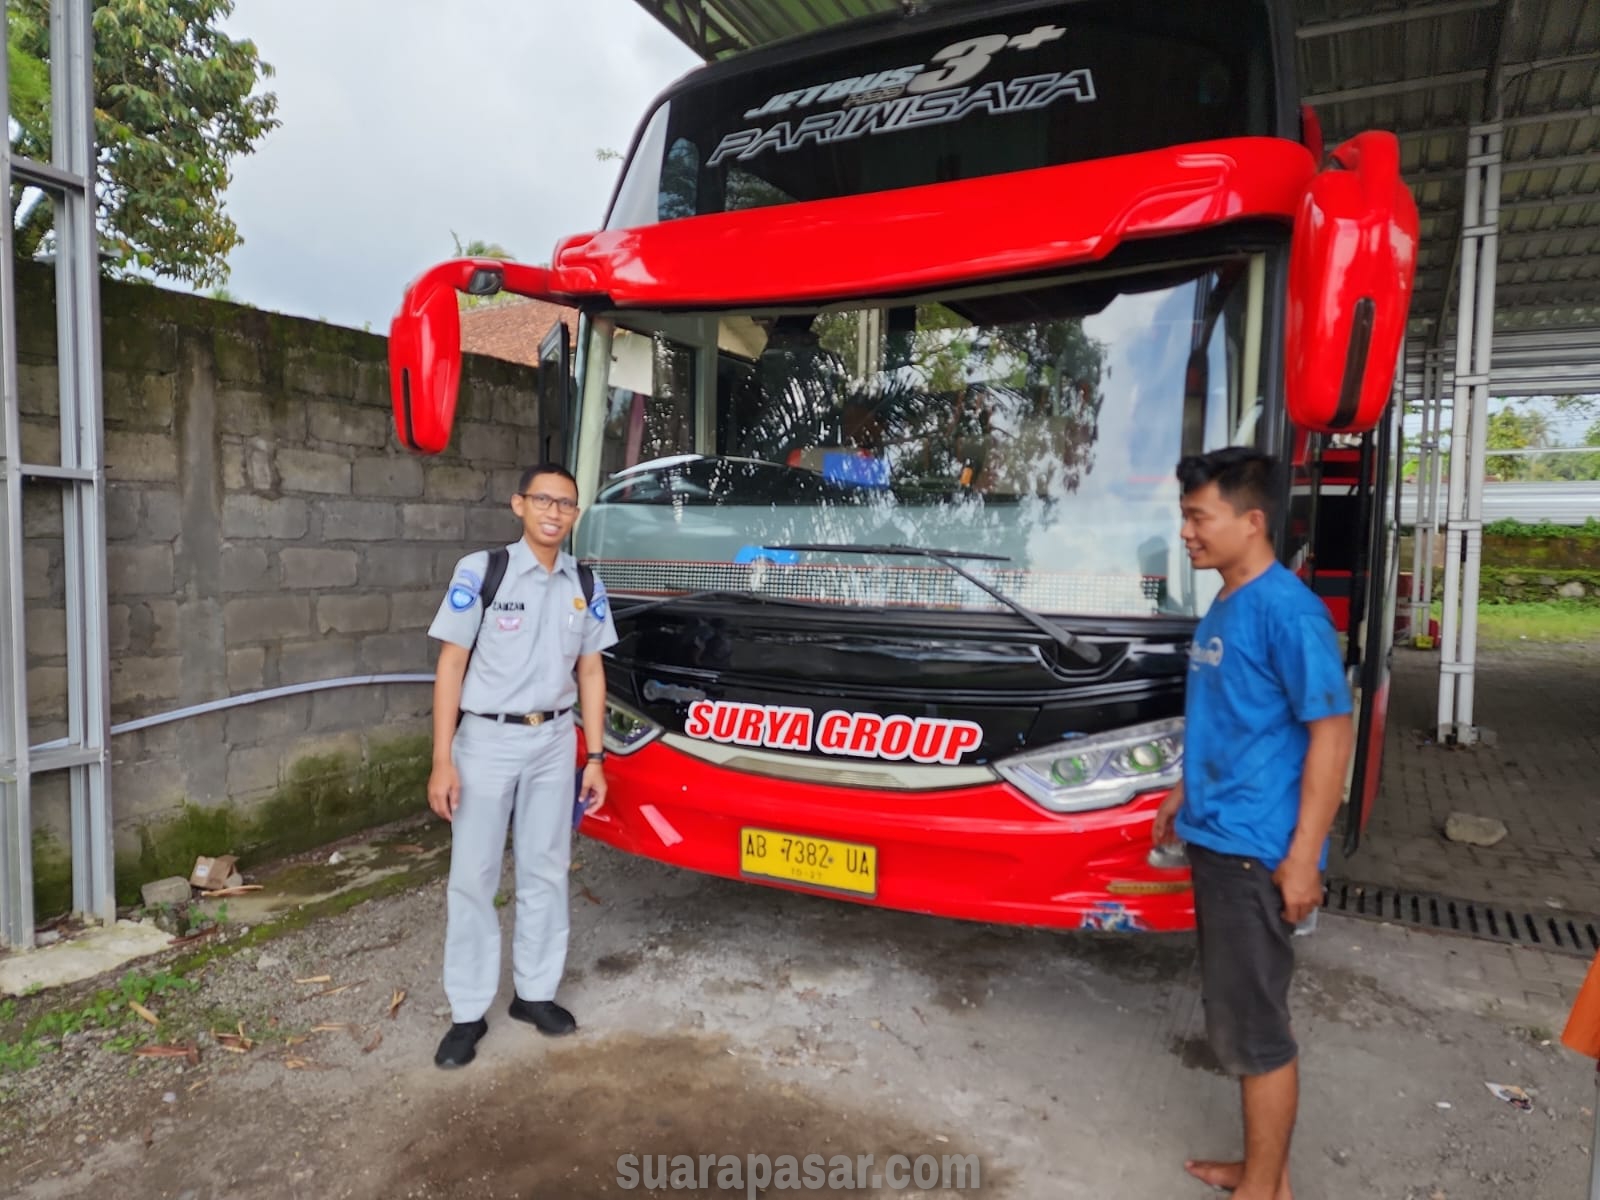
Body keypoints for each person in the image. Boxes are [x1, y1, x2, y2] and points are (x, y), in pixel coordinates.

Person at [1151, 447, 1354, 1200]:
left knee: (1255, 1032)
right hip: (1218, 832)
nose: (1188, 534)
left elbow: (1333, 733)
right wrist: (1182, 786)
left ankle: (1265, 1190)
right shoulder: (1229, 601)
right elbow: (1239, 719)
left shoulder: (1288, 611)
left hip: (1254, 853)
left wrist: (1303, 858)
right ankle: (1262, 1170)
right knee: (1237, 1018)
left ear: (1253, 521)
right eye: (1185, 518)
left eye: (1200, 518)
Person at [425, 463, 618, 1069]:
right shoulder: (483, 571)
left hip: (555, 743)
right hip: (485, 743)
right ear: (519, 505)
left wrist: (595, 755)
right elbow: (450, 667)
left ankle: (534, 994)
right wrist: (441, 760)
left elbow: (590, 670)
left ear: (575, 514)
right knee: (474, 878)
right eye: (543, 500)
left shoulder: (584, 581)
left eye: (565, 504)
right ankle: (466, 1013)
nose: (554, 512)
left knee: (546, 870)